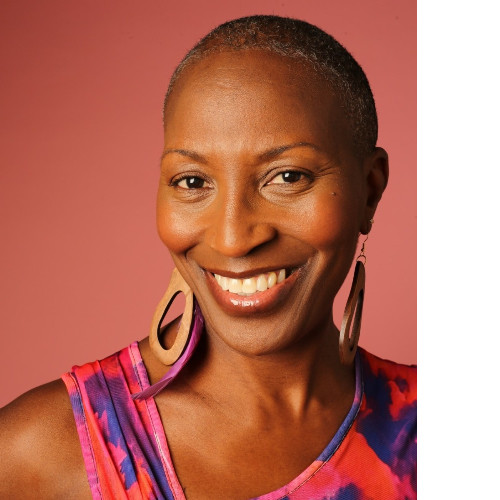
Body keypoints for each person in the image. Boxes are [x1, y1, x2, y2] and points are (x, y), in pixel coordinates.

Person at [0, 15, 416, 500]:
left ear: (370, 190)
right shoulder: (41, 454)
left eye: (288, 177)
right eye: (193, 181)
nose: (233, 239)